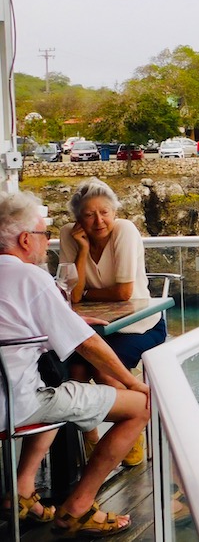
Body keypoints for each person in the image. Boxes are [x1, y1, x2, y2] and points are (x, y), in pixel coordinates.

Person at [0, 191, 148, 537]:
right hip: (17, 407)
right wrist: (132, 382)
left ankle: (21, 492)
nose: (46, 242)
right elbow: (88, 345)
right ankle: (78, 509)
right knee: (140, 407)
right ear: (25, 240)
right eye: (43, 235)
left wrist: (68, 322)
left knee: (56, 391)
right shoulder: (31, 278)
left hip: (15, 398)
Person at [58, 178, 165, 466]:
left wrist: (87, 293)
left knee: (104, 372)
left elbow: (124, 292)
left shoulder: (125, 231)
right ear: (78, 219)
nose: (98, 220)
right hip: (95, 328)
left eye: (104, 212)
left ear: (115, 212)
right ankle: (91, 443)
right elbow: (74, 295)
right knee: (74, 372)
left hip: (140, 324)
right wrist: (81, 251)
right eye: (89, 214)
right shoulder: (69, 234)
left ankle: (131, 435)